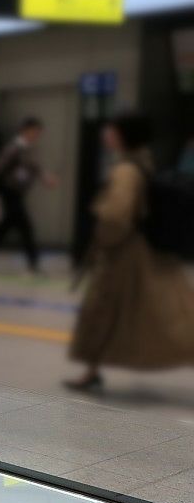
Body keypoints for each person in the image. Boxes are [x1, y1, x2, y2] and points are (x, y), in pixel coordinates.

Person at [65, 114, 194, 392]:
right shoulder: (143, 162)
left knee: (103, 310)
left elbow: (115, 216)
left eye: (111, 130)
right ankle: (91, 370)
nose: (106, 134)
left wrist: (103, 239)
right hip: (144, 250)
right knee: (163, 313)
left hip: (124, 255)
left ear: (123, 135)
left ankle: (91, 371)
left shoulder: (125, 170)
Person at [0, 117, 57, 272]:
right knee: (26, 227)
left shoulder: (29, 149)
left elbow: (35, 167)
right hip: (9, 192)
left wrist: (45, 178)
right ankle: (33, 263)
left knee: (4, 228)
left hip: (18, 193)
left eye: (39, 133)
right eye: (35, 132)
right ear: (26, 130)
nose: (37, 135)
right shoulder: (13, 149)